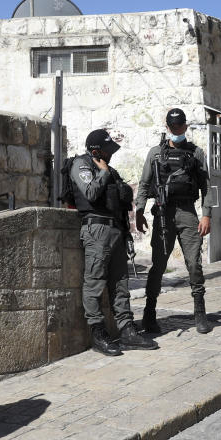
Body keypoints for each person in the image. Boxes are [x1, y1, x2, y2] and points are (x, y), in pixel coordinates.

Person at [70, 129, 158, 356]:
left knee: (120, 283)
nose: (111, 155)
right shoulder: (82, 165)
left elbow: (119, 204)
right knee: (95, 282)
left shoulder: (111, 171)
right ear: (96, 150)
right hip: (96, 229)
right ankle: (98, 334)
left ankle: (127, 330)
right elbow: (89, 193)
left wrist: (126, 234)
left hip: (116, 231)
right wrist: (103, 173)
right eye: (107, 150)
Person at [135, 108, 214, 334]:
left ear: (185, 127)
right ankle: (149, 314)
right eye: (173, 127)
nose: (176, 131)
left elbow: (207, 187)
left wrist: (207, 214)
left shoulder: (196, 153)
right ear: (167, 127)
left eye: (180, 127)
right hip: (162, 213)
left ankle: (200, 313)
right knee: (158, 265)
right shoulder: (155, 154)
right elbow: (143, 184)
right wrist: (139, 211)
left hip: (187, 213)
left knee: (194, 264)